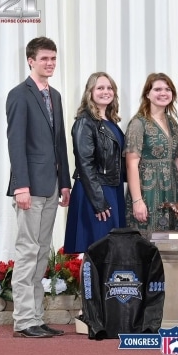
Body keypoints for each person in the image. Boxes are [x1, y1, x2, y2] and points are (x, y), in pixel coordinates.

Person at [6, 36, 71, 338]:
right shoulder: (20, 94)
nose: (50, 63)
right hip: (29, 187)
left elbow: (60, 143)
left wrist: (66, 183)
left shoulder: (54, 95)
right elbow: (16, 143)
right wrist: (21, 185)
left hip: (52, 185)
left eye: (53, 59)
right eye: (44, 58)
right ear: (31, 60)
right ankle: (23, 320)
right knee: (28, 251)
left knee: (42, 252)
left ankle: (36, 317)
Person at [63, 72, 126, 254]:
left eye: (109, 88)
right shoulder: (85, 122)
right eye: (100, 88)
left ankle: (104, 284)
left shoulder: (110, 120)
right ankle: (90, 284)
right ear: (90, 92)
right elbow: (85, 164)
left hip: (112, 188)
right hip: (96, 191)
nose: (106, 91)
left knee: (110, 249)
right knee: (96, 249)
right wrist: (99, 202)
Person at [124, 73, 178, 239]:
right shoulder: (138, 123)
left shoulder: (172, 122)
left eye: (167, 89)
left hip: (172, 191)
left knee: (172, 242)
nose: (163, 93)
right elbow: (131, 164)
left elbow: (177, 159)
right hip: (148, 192)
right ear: (147, 94)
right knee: (148, 242)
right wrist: (137, 201)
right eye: (157, 89)